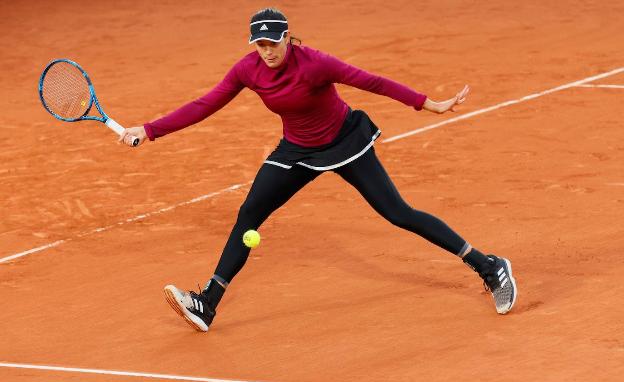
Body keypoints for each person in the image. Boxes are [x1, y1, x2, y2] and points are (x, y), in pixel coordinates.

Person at [120, 8, 517, 332]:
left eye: (273, 42)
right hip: (295, 150)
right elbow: (204, 104)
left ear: (287, 37)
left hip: (346, 143)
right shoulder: (247, 70)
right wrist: (150, 130)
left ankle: (489, 265)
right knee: (249, 215)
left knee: (398, 213)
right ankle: (207, 303)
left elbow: (372, 82)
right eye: (259, 44)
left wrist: (428, 104)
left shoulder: (314, 64)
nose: (267, 51)